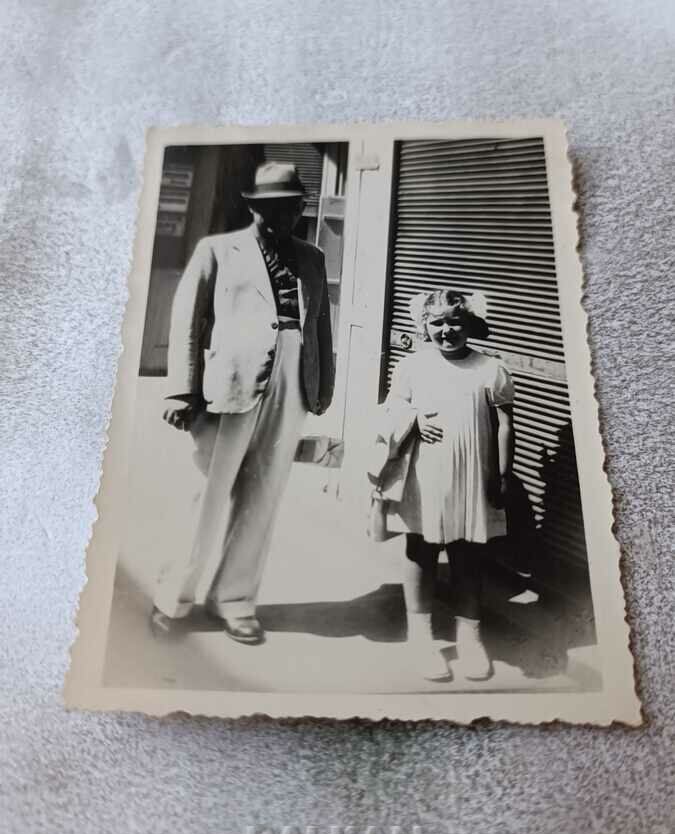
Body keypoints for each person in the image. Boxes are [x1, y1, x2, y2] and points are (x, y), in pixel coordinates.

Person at [150, 161, 335, 643]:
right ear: (254, 207)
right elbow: (188, 320)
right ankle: (174, 597)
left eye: (292, 207)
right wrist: (180, 388)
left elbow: (319, 328)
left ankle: (234, 599)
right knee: (207, 494)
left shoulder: (312, 257)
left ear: (300, 209)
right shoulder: (217, 251)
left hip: (292, 381)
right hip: (227, 383)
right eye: (273, 207)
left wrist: (321, 388)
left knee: (264, 495)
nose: (283, 216)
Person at [370, 288, 515, 680]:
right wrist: (413, 419)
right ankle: (420, 637)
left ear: (470, 324)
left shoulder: (491, 369)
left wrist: (501, 475)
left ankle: (470, 637)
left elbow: (504, 424)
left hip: (473, 475)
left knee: (469, 554)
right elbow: (392, 409)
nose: (446, 330)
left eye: (455, 322)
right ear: (423, 326)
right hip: (424, 472)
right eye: (437, 322)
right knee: (421, 548)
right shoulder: (412, 367)